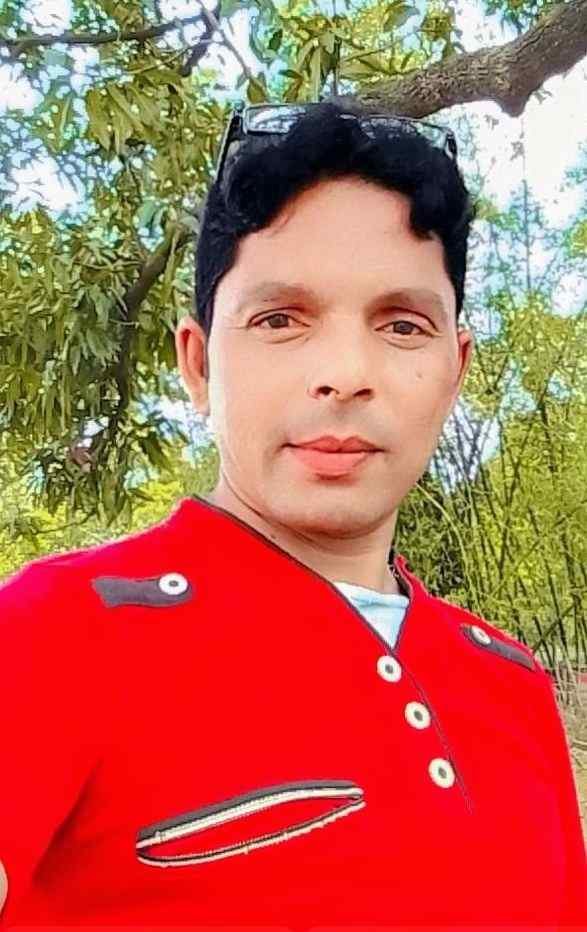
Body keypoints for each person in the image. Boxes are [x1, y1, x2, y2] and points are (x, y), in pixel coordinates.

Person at [0, 100, 585, 927]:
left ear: (454, 370)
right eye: (280, 319)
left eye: (401, 324)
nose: (344, 373)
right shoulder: (56, 632)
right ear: (198, 365)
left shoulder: (512, 682)